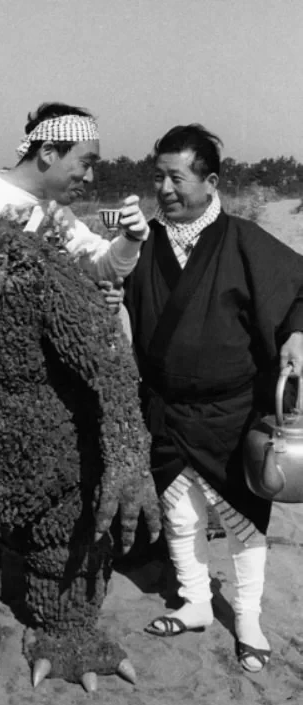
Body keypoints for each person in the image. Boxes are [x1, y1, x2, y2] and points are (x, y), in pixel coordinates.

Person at [123, 123, 303, 673]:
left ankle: (247, 617)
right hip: (165, 409)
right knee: (179, 514)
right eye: (159, 177)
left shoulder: (244, 239)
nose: (165, 189)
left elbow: (299, 288)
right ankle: (197, 601)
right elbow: (109, 297)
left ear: (210, 181)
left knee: (246, 520)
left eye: (176, 177)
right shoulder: (142, 243)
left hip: (232, 410)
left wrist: (297, 333)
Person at [0, 102, 149, 290]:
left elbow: (102, 268)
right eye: (85, 164)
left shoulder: (57, 211)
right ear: (48, 153)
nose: (90, 177)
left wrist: (132, 238)